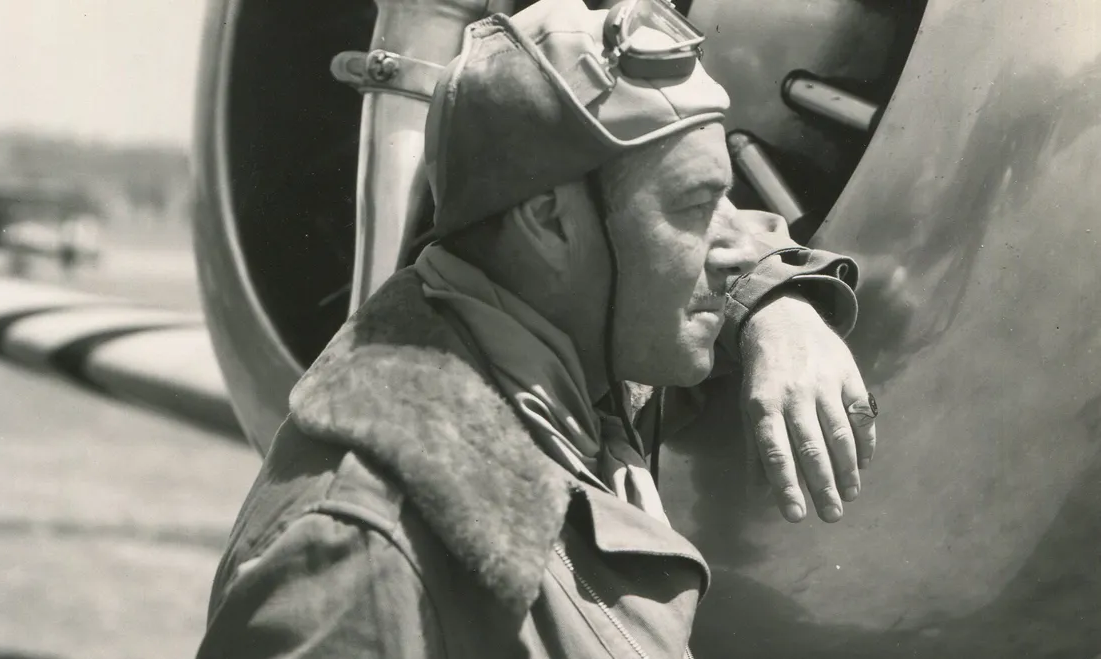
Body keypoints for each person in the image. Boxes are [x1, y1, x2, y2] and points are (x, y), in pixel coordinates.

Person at [197, 0, 878, 656]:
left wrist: (777, 307)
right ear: (550, 222)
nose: (728, 249)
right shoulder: (358, 553)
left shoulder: (568, 368)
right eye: (696, 207)